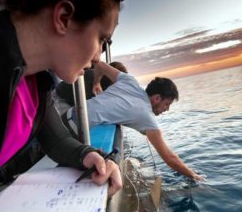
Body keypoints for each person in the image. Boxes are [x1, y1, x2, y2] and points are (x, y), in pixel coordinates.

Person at [0, 0, 125, 212]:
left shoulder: (38, 83)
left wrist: (90, 156)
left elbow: (56, 140)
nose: (97, 58)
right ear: (63, 18)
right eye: (101, 39)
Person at [57, 61, 204, 181]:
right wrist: (194, 176)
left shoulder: (130, 80)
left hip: (66, 115)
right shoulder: (148, 117)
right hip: (74, 131)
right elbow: (170, 158)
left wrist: (97, 83)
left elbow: (100, 65)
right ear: (157, 98)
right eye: (167, 104)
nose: (167, 109)